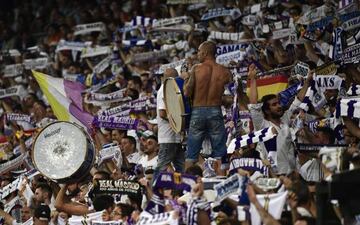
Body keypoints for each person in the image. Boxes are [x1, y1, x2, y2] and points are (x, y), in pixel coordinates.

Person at [183, 41, 232, 174]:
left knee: (191, 154)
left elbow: (186, 93)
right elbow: (230, 99)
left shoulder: (196, 69)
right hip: (215, 111)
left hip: (198, 112)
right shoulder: (225, 72)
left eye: (198, 51)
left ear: (204, 53)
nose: (197, 54)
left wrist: (186, 78)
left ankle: (186, 186)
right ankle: (222, 181)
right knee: (220, 152)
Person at [154, 68, 185, 180]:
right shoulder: (164, 89)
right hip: (168, 136)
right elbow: (162, 113)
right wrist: (179, 122)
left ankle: (183, 189)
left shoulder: (171, 88)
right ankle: (153, 191)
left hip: (174, 136)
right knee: (162, 167)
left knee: (182, 166)